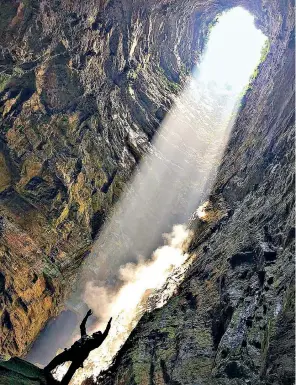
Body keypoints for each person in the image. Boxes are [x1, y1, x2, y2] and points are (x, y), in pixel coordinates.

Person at [44, 310, 112, 385]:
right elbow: (82, 326)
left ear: (98, 337)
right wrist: (86, 316)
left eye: (98, 333)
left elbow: (104, 336)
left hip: (79, 358)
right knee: (58, 359)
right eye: (97, 332)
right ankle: (47, 370)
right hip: (72, 351)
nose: (96, 332)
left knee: (69, 374)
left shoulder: (95, 343)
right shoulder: (85, 336)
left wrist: (108, 326)